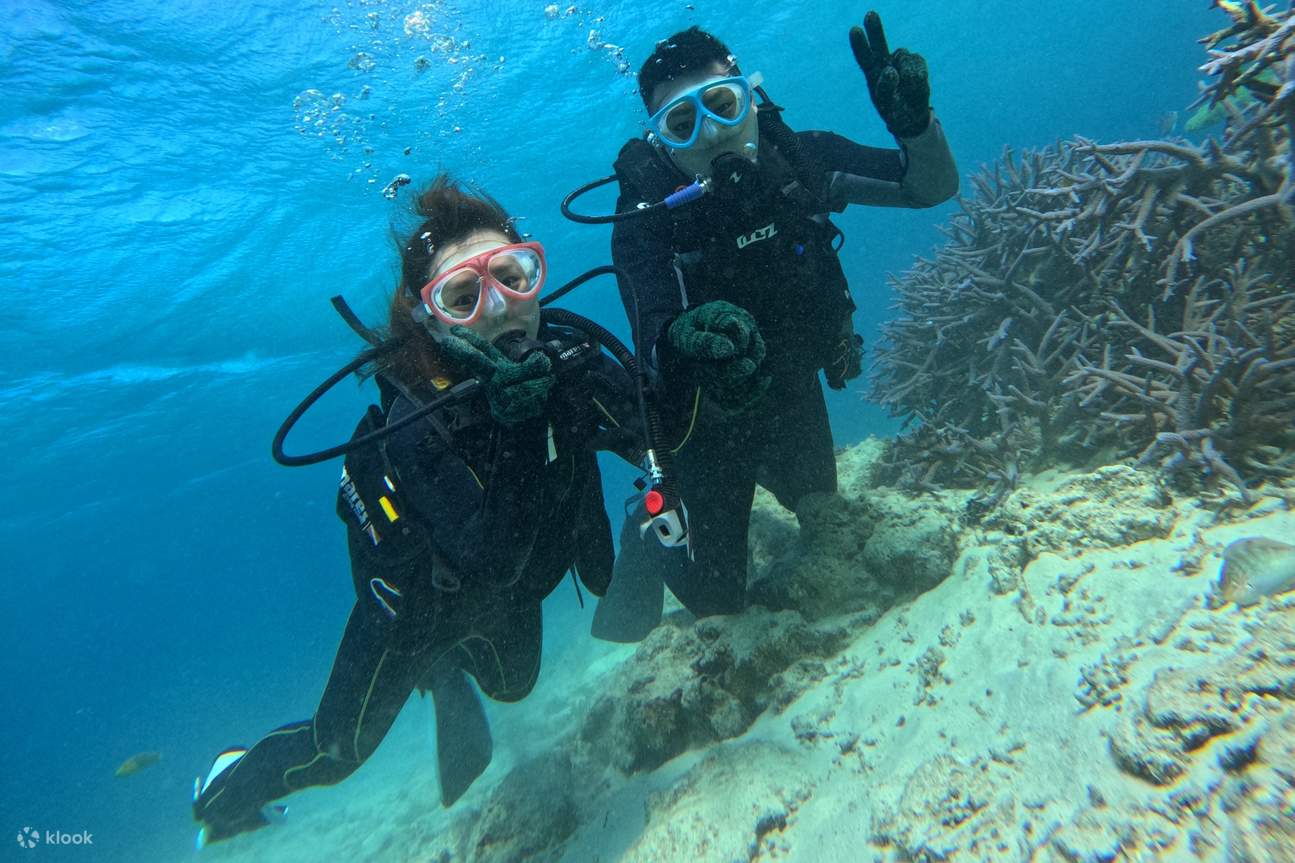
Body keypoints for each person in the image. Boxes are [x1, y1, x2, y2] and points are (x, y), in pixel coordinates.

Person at [192, 175, 642, 845]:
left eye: (513, 276)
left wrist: (704, 367)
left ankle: (455, 669)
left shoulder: (567, 364)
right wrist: (520, 431)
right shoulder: (415, 422)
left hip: (510, 589)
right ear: (433, 318)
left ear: (534, 275)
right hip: (418, 609)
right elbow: (486, 558)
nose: (497, 310)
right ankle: (222, 791)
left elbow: (660, 434)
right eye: (463, 296)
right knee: (334, 752)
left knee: (515, 685)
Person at [596, 15, 959, 623]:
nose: (711, 135)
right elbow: (653, 341)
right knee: (717, 603)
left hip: (793, 391)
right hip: (706, 425)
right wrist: (684, 341)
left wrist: (914, 126)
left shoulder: (802, 160)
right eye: (683, 125)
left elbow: (931, 188)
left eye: (721, 104)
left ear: (750, 97)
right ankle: (650, 526)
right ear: (661, 142)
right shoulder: (646, 218)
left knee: (822, 514)